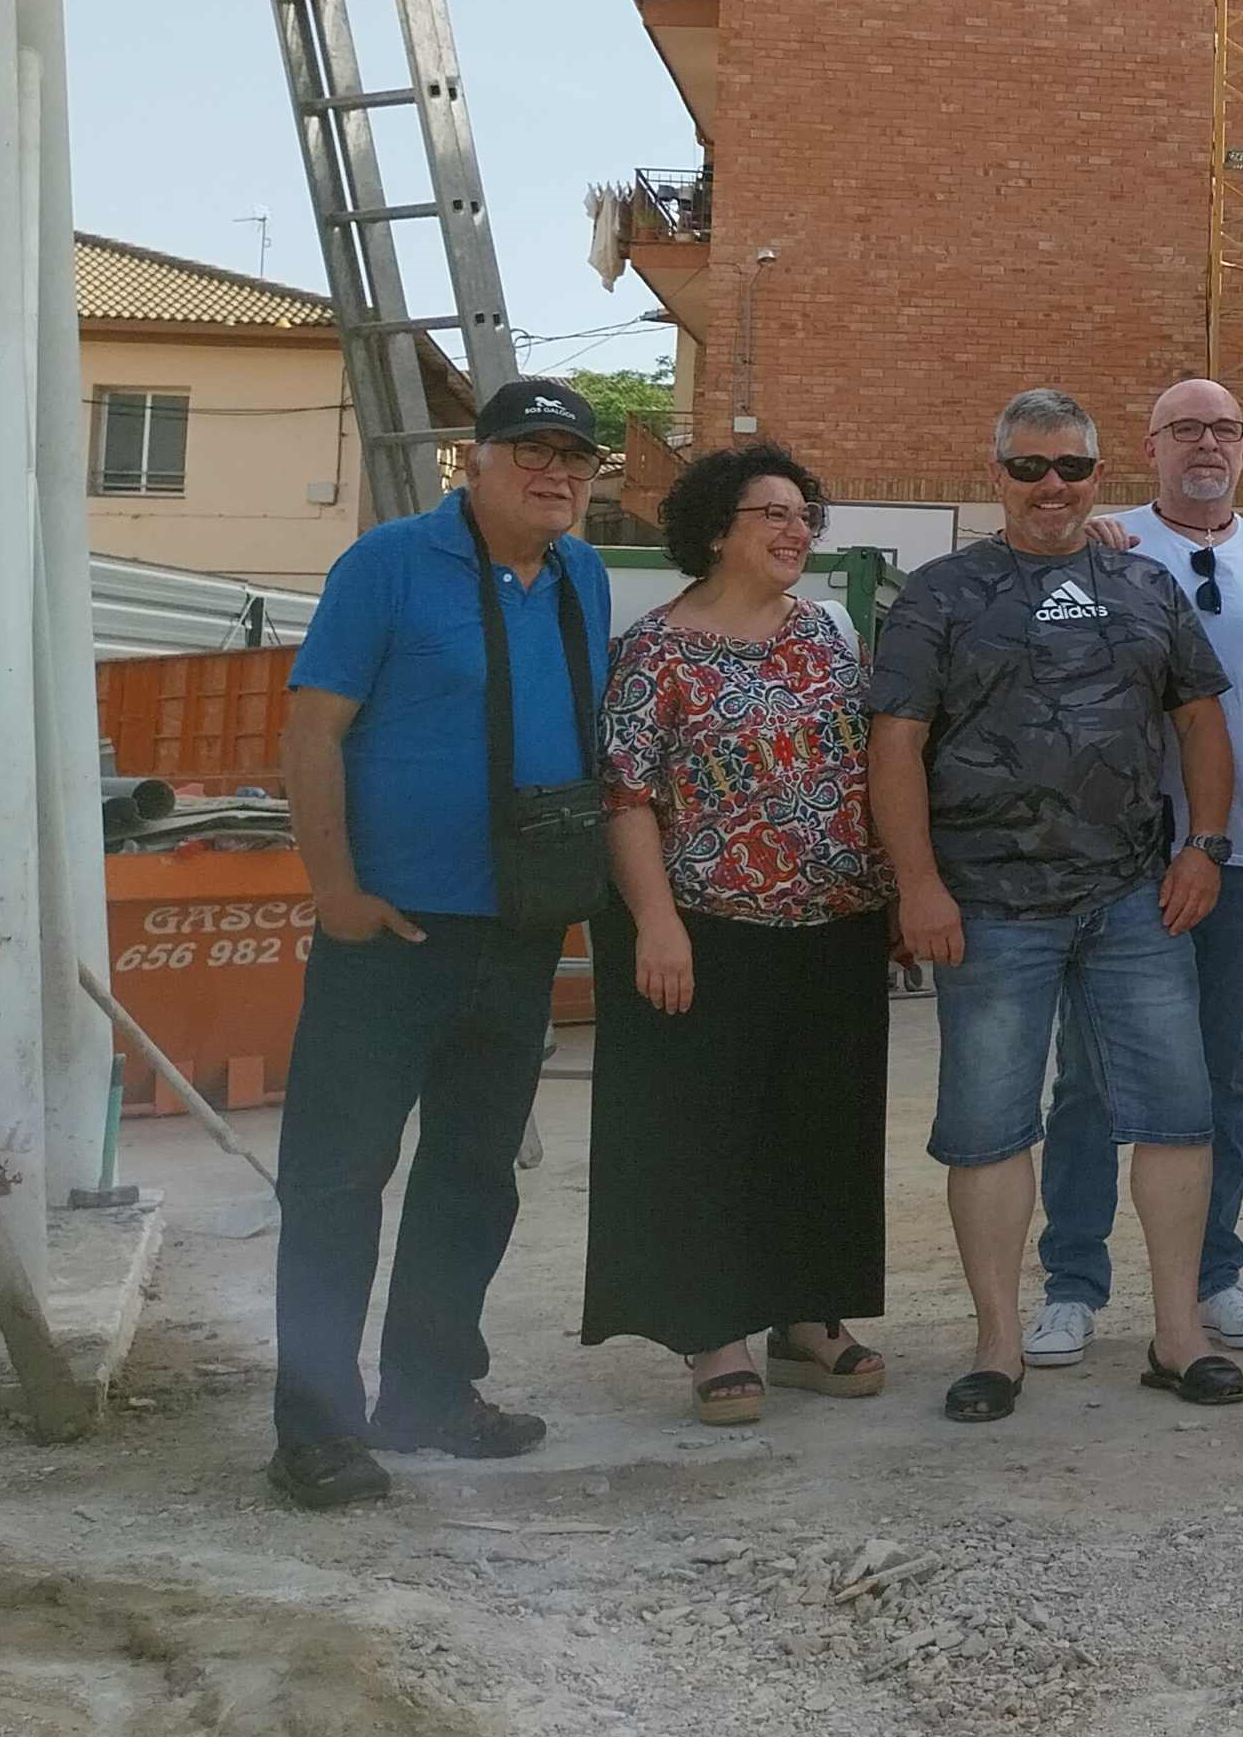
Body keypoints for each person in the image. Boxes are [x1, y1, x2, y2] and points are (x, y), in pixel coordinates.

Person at [268, 377, 615, 1507]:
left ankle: (427, 1390)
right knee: (338, 1178)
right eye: (532, 450)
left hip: (514, 932)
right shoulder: (386, 565)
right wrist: (336, 891)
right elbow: (314, 729)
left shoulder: (582, 575)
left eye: (576, 455)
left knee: (472, 1177)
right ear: (474, 459)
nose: (556, 471)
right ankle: (314, 1430)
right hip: (390, 933)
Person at [870, 388, 1242, 1423]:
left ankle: (1178, 1334)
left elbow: (1203, 721)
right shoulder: (940, 595)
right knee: (989, 1126)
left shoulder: (1143, 582)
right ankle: (999, 1348)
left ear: (1098, 473)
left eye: (1071, 468)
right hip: (990, 909)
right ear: (996, 475)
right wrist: (919, 884)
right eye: (1030, 467)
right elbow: (893, 742)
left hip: (1134, 900)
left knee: (1177, 1114)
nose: (1051, 487)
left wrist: (1206, 845)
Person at [584, 441, 893, 1424]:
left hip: (835, 922)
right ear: (716, 528)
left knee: (822, 1129)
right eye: (772, 513)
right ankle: (709, 1328)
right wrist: (655, 924)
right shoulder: (655, 651)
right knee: (702, 1134)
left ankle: (807, 1318)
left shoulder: (830, 636)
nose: (796, 530)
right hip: (710, 927)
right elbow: (626, 797)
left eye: (805, 515)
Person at [1027, 380, 1243, 1371]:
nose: (1207, 444)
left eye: (1226, 428)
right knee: (1094, 1079)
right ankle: (1072, 1285)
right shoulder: (1109, 544)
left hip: (1238, 858)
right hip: (1120, 862)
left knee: (1222, 1075)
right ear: (1149, 446)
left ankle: (1210, 1275)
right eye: (1186, 428)